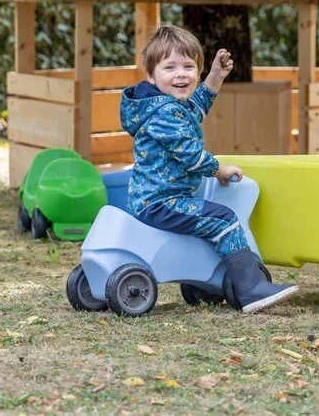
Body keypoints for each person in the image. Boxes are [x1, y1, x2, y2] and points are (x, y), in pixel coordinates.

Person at [120, 24, 297, 313]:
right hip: (162, 202)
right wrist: (219, 169)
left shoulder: (163, 106)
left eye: (189, 67)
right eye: (170, 67)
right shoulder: (164, 113)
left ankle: (208, 279)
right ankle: (251, 289)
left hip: (156, 198)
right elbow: (190, 155)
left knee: (209, 214)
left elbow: (196, 108)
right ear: (151, 76)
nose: (181, 74)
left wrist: (215, 77)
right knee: (223, 219)